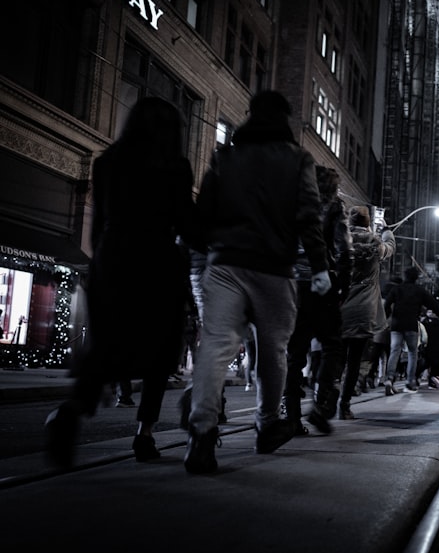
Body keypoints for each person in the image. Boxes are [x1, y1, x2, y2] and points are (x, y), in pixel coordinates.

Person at [45, 97, 202, 468]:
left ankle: (71, 410)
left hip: (112, 260)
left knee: (106, 346)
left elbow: (98, 225)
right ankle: (144, 435)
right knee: (160, 355)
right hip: (158, 263)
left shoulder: (108, 162)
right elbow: (187, 224)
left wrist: (101, 264)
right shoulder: (175, 168)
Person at [183, 90, 332, 475]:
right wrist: (319, 266)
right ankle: (267, 425)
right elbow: (308, 216)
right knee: (273, 351)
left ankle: (201, 434)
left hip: (225, 263)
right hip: (273, 268)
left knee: (216, 346)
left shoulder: (225, 157)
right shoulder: (298, 160)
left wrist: (209, 249)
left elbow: (202, 214)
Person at [283, 165, 353, 435]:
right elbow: (344, 251)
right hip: (323, 281)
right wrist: (342, 288)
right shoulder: (335, 209)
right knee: (332, 345)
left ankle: (291, 416)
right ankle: (321, 404)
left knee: (295, 351)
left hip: (293, 283)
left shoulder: (292, 204)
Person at [339, 205, 396, 417]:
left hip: (339, 306)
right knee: (354, 359)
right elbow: (390, 247)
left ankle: (323, 399)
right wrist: (387, 230)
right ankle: (344, 405)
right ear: (367, 223)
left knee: (333, 357)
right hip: (364, 310)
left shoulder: (341, 240)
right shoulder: (374, 243)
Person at [384, 266, 439, 393]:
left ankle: (389, 378)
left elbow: (387, 304)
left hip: (396, 325)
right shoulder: (420, 291)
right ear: (416, 278)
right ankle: (409, 382)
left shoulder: (397, 289)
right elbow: (433, 304)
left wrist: (387, 318)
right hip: (411, 325)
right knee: (413, 353)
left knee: (394, 351)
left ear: (405, 276)